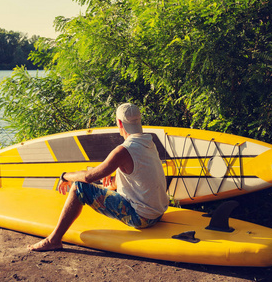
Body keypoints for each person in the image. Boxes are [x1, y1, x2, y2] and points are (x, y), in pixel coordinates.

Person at [28, 103, 169, 251]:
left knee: (79, 187)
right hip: (158, 213)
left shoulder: (123, 150)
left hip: (142, 218)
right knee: (104, 186)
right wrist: (116, 178)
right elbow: (137, 176)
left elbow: (89, 177)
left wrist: (65, 176)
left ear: (119, 123)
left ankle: (54, 240)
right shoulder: (148, 142)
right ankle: (54, 239)